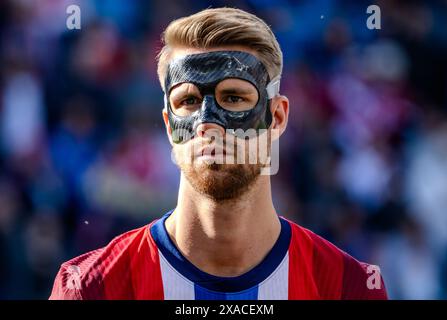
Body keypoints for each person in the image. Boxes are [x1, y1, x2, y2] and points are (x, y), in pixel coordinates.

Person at [49, 7, 387, 300]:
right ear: (169, 125)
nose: (207, 123)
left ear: (278, 117)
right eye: (189, 101)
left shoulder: (348, 288)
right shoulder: (92, 288)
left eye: (234, 98)